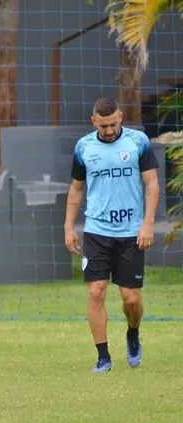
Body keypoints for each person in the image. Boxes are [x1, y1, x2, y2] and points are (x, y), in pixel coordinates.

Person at [64, 97, 160, 373]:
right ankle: (103, 357)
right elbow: (76, 189)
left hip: (131, 232)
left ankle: (133, 333)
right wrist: (69, 227)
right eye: (104, 125)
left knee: (130, 297)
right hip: (97, 231)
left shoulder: (138, 141)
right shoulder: (84, 147)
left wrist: (147, 224)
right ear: (94, 121)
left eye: (114, 123)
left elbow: (152, 185)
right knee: (96, 291)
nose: (109, 130)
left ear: (121, 116)